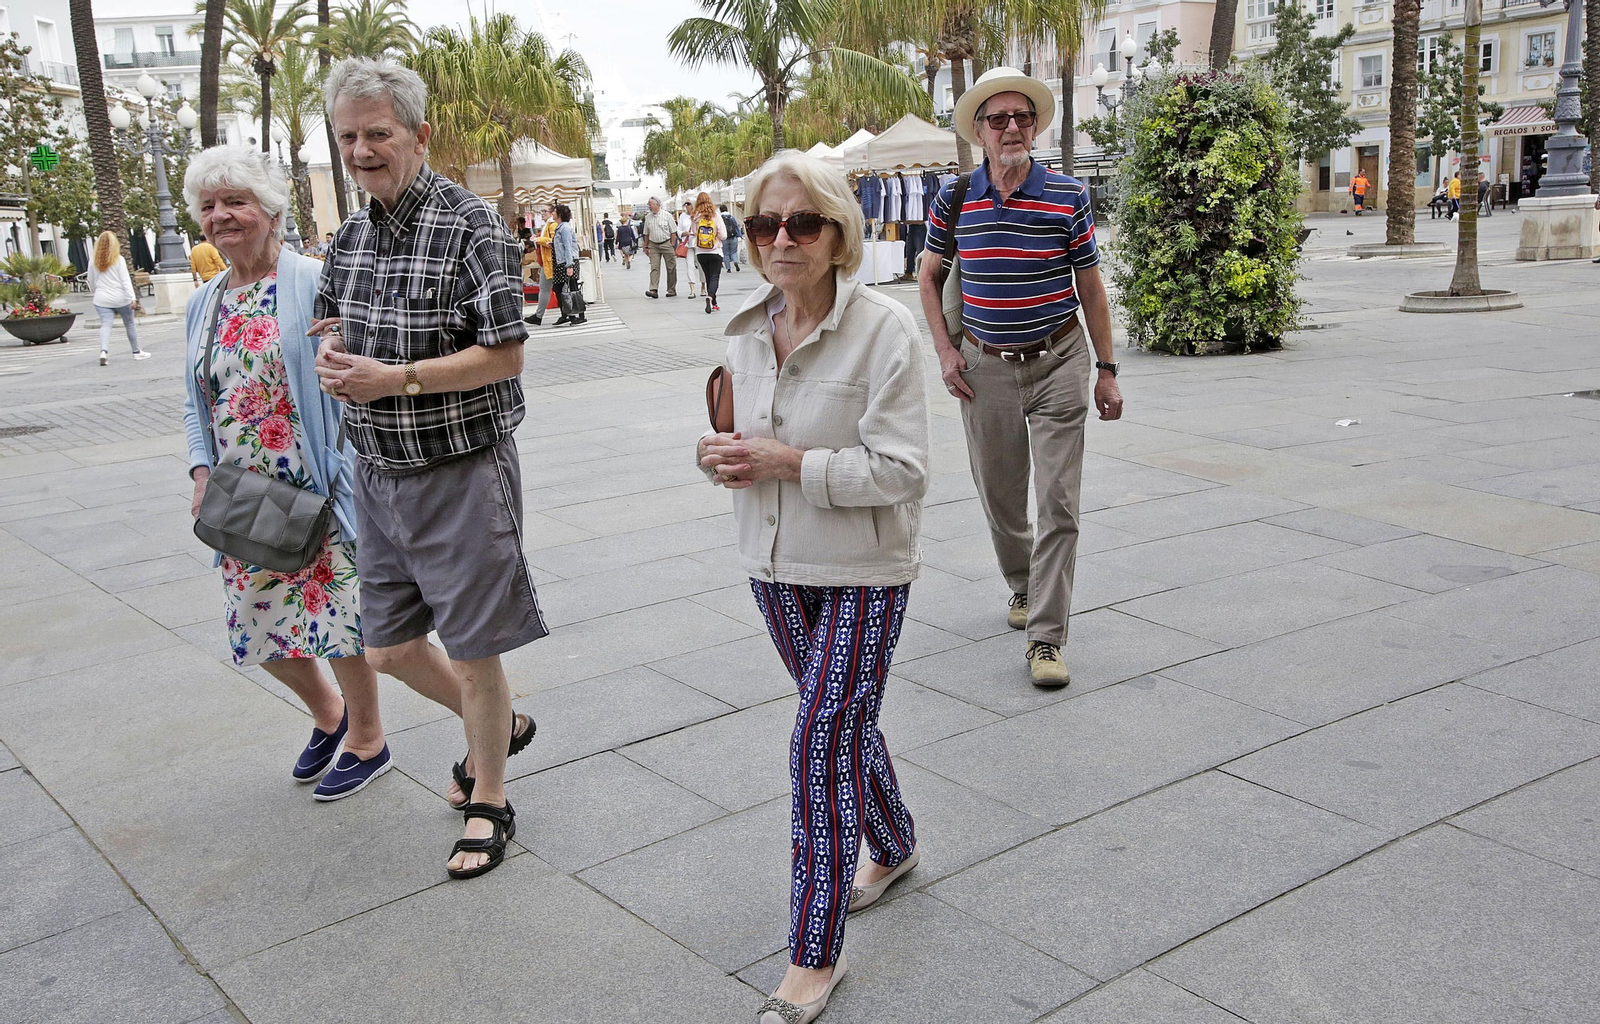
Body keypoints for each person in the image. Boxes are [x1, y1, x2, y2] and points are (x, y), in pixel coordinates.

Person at [696, 149, 928, 1024]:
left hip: (864, 567)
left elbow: (904, 470)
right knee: (838, 718)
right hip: (772, 562)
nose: (781, 239)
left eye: (803, 223)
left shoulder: (886, 331)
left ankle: (812, 953)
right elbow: (735, 435)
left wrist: (788, 463)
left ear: (839, 236)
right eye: (764, 224)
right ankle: (895, 841)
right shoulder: (745, 328)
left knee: (818, 740)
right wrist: (718, 457)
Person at [313, 57, 545, 879]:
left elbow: (506, 356)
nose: (362, 149)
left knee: (477, 649)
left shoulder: (470, 225)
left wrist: (396, 379)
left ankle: (490, 798)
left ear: (419, 133)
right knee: (388, 651)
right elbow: (329, 321)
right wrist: (335, 352)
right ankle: (503, 723)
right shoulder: (345, 236)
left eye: (377, 132)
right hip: (375, 474)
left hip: (459, 470)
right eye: (348, 136)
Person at [180, 145, 391, 801]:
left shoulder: (311, 280)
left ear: (269, 210)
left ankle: (369, 740)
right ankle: (331, 717)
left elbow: (353, 376)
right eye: (210, 205)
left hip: (314, 484)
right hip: (241, 493)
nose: (221, 216)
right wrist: (199, 470)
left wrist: (349, 467)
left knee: (338, 622)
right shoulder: (206, 301)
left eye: (235, 201)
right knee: (258, 626)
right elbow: (195, 397)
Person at [919, 66, 1124, 687]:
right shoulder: (953, 199)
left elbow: (1090, 286)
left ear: (1034, 127)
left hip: (1060, 358)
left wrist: (1107, 370)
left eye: (1022, 118)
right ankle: (1022, 584)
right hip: (984, 366)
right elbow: (929, 277)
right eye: (999, 119)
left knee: (1058, 502)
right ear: (979, 131)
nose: (1012, 128)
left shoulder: (1068, 196)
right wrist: (945, 354)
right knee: (1002, 499)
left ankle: (1046, 636)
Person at [87, 231, 147, 365]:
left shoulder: (93, 260)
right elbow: (125, 280)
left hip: (102, 298)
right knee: (130, 324)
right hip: (121, 297)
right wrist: (132, 297)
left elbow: (90, 280)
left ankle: (103, 351)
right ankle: (136, 352)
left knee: (106, 325)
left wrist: (96, 291)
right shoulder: (118, 259)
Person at [550, 202, 588, 326]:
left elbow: (568, 247)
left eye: (554, 211)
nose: (552, 213)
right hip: (562, 262)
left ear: (560, 214)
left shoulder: (564, 228)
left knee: (571, 288)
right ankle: (567, 314)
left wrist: (569, 265)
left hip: (566, 262)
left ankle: (576, 315)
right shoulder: (560, 227)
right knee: (562, 288)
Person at [690, 191, 727, 313]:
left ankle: (714, 303)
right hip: (715, 251)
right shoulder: (716, 215)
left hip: (700, 252)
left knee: (707, 276)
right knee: (714, 277)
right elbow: (723, 235)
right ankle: (710, 297)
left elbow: (694, 232)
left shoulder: (695, 216)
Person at [524, 204, 558, 326]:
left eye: (545, 211)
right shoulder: (548, 225)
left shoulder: (552, 225)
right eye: (542, 211)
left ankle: (538, 316)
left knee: (545, 289)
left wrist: (538, 240)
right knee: (557, 289)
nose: (542, 213)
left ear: (551, 212)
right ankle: (570, 313)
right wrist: (538, 237)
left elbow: (551, 241)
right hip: (547, 262)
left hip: (549, 263)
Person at [641, 196, 678, 298]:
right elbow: (646, 233)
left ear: (657, 205)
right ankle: (653, 289)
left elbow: (673, 231)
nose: (649, 206)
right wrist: (646, 246)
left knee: (671, 267)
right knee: (654, 267)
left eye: (650, 204)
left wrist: (672, 244)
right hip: (653, 244)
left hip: (666, 242)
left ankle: (671, 289)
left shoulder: (667, 215)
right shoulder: (648, 217)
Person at [678, 201, 698, 299]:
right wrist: (683, 233)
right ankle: (692, 290)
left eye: (689, 204)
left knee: (701, 266)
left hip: (699, 243)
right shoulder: (682, 216)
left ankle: (703, 287)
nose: (687, 206)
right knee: (689, 266)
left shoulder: (699, 214)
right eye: (685, 204)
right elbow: (679, 229)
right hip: (688, 243)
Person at [719, 202, 742, 272]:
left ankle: (728, 268)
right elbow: (736, 227)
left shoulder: (720, 218)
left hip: (724, 238)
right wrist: (739, 235)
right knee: (734, 252)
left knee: (725, 253)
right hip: (733, 237)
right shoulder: (731, 217)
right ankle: (735, 262)